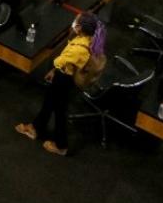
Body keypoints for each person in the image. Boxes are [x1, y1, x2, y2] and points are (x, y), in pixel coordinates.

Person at [16, 13, 106, 156]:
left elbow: (59, 61)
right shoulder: (85, 39)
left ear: (80, 28)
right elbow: (67, 64)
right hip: (62, 76)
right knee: (49, 103)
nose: (73, 22)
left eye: (76, 21)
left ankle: (61, 145)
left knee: (59, 111)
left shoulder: (79, 49)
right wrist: (54, 71)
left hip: (64, 80)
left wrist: (55, 67)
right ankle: (35, 128)